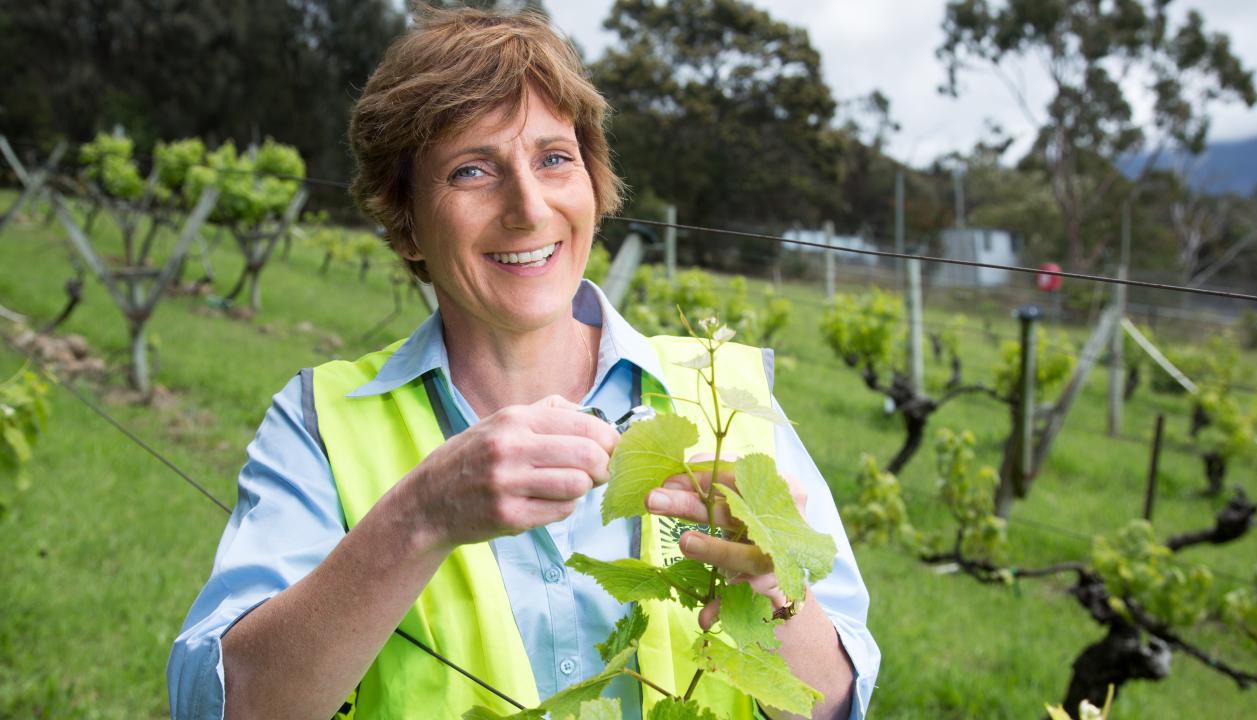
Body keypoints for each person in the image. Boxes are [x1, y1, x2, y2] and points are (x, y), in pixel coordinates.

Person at [168, 7, 879, 719]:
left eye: (554, 159)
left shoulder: (729, 397)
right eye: (471, 169)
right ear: (405, 219)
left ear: (594, 185)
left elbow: (837, 704)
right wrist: (418, 520)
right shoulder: (320, 421)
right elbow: (220, 707)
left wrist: (776, 592)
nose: (529, 209)